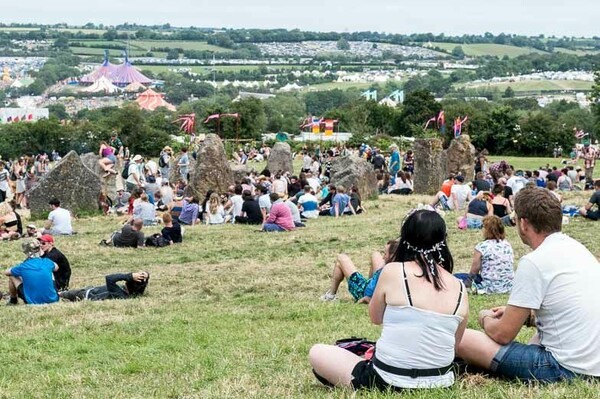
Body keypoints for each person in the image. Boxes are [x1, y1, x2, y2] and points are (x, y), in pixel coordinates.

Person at [309, 210, 468, 390]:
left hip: (387, 378)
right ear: (443, 240)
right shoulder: (459, 286)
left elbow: (375, 317)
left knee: (317, 352)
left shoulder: (392, 271)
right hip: (440, 380)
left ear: (404, 238)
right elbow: (455, 344)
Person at [457, 188, 600, 382]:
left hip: (564, 367)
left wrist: (484, 318)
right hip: (593, 362)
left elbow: (502, 334)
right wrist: (526, 317)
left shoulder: (534, 261)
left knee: (462, 338)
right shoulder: (578, 249)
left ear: (523, 223)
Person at [320, 239, 399, 303]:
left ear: (392, 256)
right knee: (375, 255)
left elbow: (384, 297)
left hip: (363, 291)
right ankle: (371, 283)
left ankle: (330, 295)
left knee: (341, 258)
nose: (383, 257)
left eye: (385, 254)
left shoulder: (386, 275)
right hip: (372, 284)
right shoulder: (399, 268)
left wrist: (367, 299)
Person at [455, 216, 514, 294]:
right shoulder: (507, 245)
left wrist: (468, 283)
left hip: (490, 286)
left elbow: (474, 271)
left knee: (456, 277)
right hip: (508, 285)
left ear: (487, 230)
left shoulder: (482, 247)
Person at [5, 239, 59, 305]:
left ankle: (13, 300)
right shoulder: (47, 262)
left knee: (12, 276)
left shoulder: (23, 266)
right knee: (50, 270)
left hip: (31, 301)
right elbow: (56, 267)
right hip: (53, 299)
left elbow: (6, 272)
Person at [60, 272, 149, 302]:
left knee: (60, 295)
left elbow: (109, 278)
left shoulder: (121, 294)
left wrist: (129, 276)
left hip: (85, 295)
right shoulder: (130, 291)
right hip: (91, 290)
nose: (138, 274)